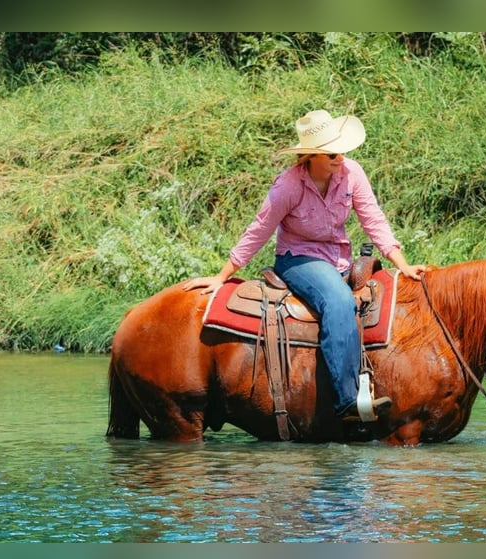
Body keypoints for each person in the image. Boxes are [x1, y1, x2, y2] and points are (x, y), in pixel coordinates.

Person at [183, 109, 426, 421]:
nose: (341, 158)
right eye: (332, 153)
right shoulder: (288, 186)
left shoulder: (353, 174)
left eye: (341, 151)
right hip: (299, 260)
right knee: (338, 301)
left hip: (340, 257)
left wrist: (401, 264)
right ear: (311, 156)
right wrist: (223, 275)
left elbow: (373, 218)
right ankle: (347, 403)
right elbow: (259, 229)